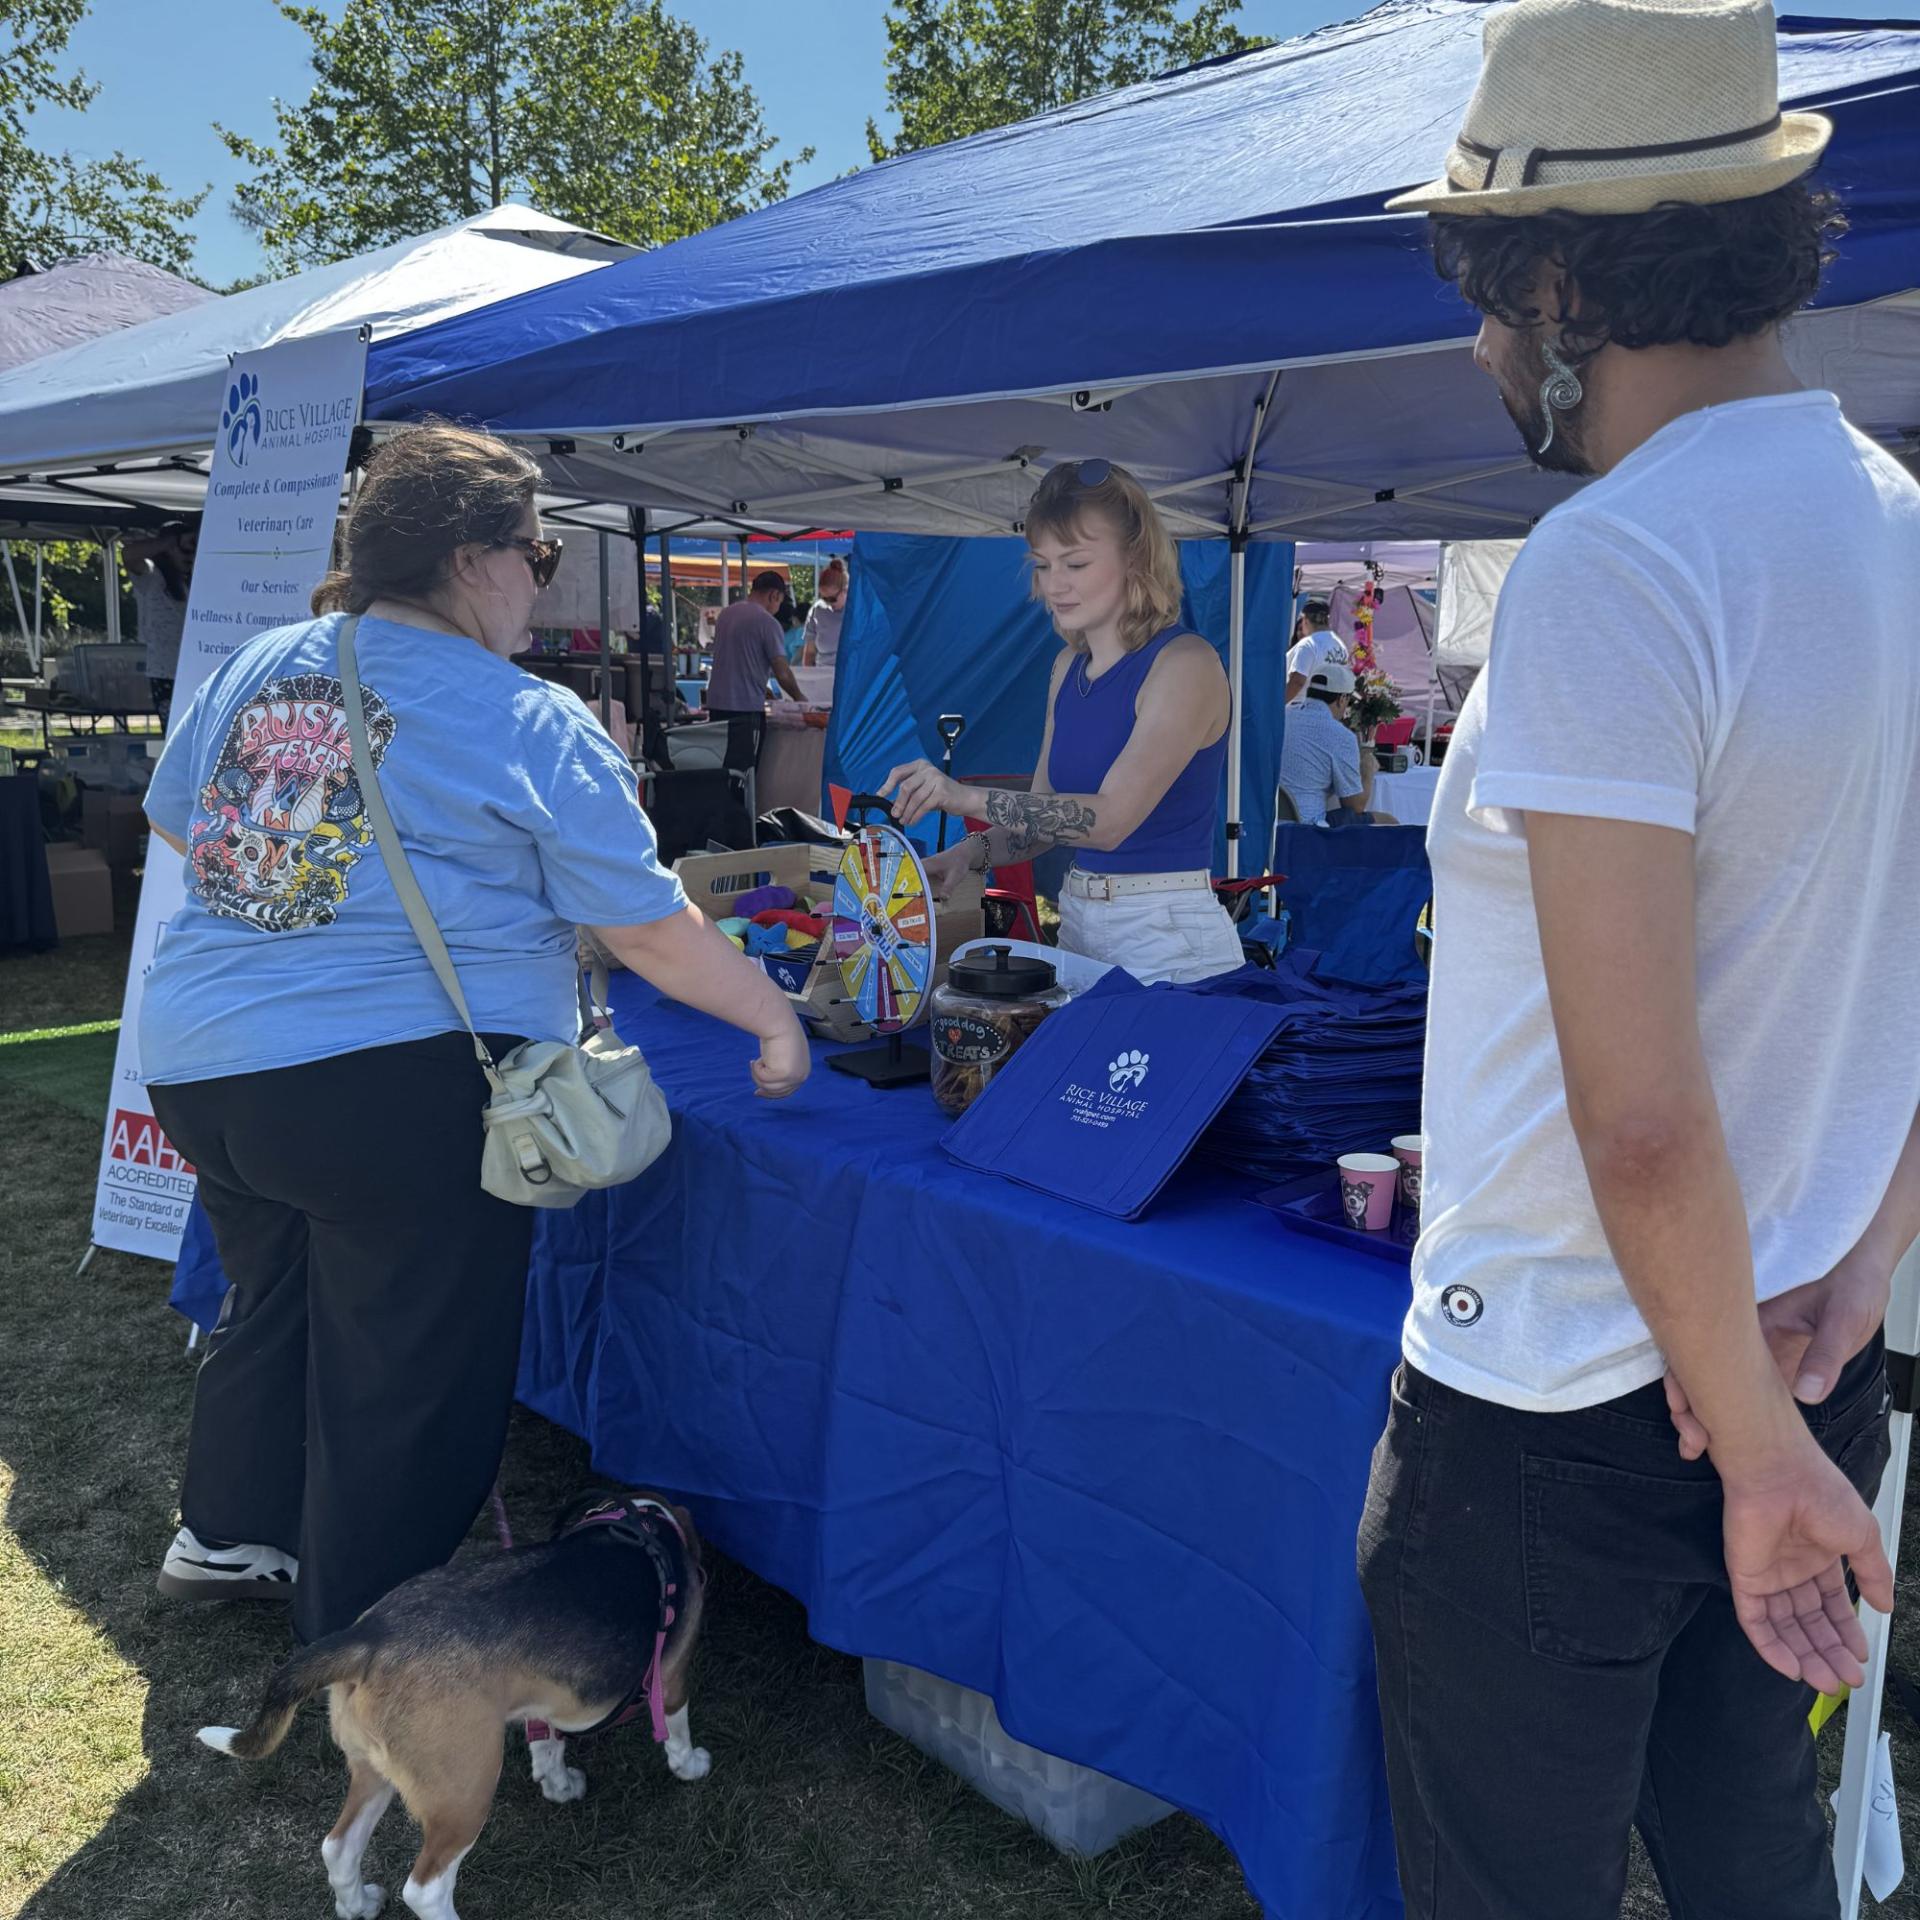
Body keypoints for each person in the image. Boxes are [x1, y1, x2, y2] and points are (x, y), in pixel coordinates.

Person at [1356, 2, 1920, 1915]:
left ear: (1562, 282)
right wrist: (1859, 1279)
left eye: (1486, 297)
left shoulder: (1621, 562)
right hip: (1793, 1354)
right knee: (1755, 1854)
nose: (1479, 346)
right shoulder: (1899, 530)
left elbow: (1643, 1114)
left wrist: (1757, 1447)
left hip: (1560, 1404)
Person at [139, 423, 809, 1650]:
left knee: (275, 1295)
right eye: (539, 556)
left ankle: (231, 1530)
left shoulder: (264, 663)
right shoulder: (526, 714)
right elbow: (646, 926)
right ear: (471, 559)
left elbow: (185, 823)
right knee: (410, 1368)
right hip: (388, 1085)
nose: (539, 584)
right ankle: (369, 1648)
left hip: (204, 1061)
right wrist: (771, 1015)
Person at [884, 459, 1243, 986]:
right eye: (1043, 565)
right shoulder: (1066, 667)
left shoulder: (1185, 663)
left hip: (1167, 938)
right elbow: (1045, 821)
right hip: (1079, 924)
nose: (1055, 585)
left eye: (1075, 563)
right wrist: (969, 853)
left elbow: (1109, 822)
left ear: (1136, 559)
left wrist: (963, 797)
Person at [1277, 663, 1397, 827]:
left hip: (1269, 821)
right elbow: (1355, 806)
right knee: (1389, 821)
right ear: (1342, 699)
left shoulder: (1281, 716)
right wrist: (1367, 772)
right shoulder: (1341, 736)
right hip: (1308, 827)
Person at [708, 568, 802, 771]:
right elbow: (782, 673)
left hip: (716, 705)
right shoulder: (768, 623)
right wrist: (800, 699)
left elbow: (737, 660)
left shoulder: (726, 615)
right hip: (745, 709)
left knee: (719, 770)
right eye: (779, 602)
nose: (778, 607)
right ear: (774, 595)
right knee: (745, 774)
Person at [125, 518, 198, 727]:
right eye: (184, 551)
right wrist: (172, 541)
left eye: (193, 552)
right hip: (166, 671)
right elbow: (128, 554)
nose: (189, 557)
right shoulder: (151, 577)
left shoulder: (193, 582)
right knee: (173, 731)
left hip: (192, 669)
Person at [1284, 597, 1346, 705]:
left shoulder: (1308, 645)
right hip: (1328, 708)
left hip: (1299, 707)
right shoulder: (1340, 646)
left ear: (1305, 620)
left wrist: (1277, 706)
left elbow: (1297, 682)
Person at [801, 557, 848, 668]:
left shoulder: (859, 611)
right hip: (822, 672)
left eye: (832, 599)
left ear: (845, 590)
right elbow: (809, 653)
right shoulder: (817, 610)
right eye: (824, 599)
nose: (828, 603)